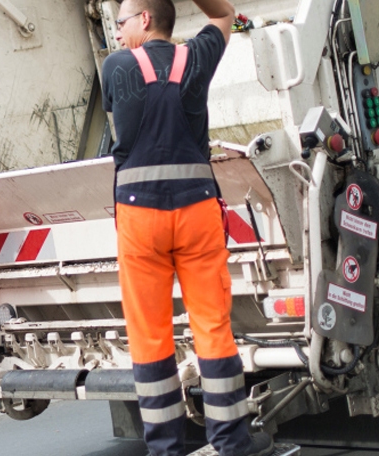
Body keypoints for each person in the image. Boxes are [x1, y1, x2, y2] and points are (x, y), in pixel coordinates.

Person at [101, 1, 273, 455]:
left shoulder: (116, 66)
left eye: (120, 23)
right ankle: (231, 441)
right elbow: (226, 14)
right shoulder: (196, 57)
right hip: (197, 211)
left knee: (150, 335)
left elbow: (125, 120)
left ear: (144, 19)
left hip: (140, 218)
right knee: (213, 327)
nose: (116, 34)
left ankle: (166, 450)